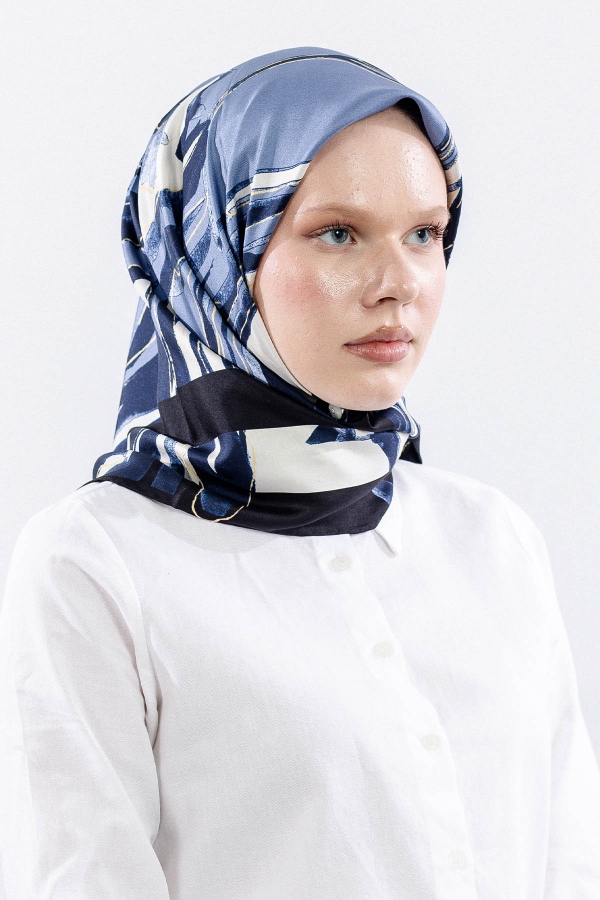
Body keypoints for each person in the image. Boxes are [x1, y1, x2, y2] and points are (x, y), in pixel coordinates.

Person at [0, 46, 599, 900]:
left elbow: (569, 863)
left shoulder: (490, 539)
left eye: (425, 234)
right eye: (338, 233)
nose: (399, 284)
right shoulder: (94, 562)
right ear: (213, 254)